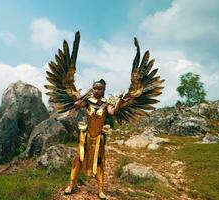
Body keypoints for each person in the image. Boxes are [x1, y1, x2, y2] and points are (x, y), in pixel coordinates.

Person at [44, 31, 164, 199]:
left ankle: (101, 189)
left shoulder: (107, 104)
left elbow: (113, 113)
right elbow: (76, 104)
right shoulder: (87, 101)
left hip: (99, 138)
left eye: (99, 88)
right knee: (78, 159)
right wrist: (86, 93)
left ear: (104, 90)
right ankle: (71, 184)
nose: (97, 90)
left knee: (100, 163)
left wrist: (121, 101)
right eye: (95, 87)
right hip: (85, 136)